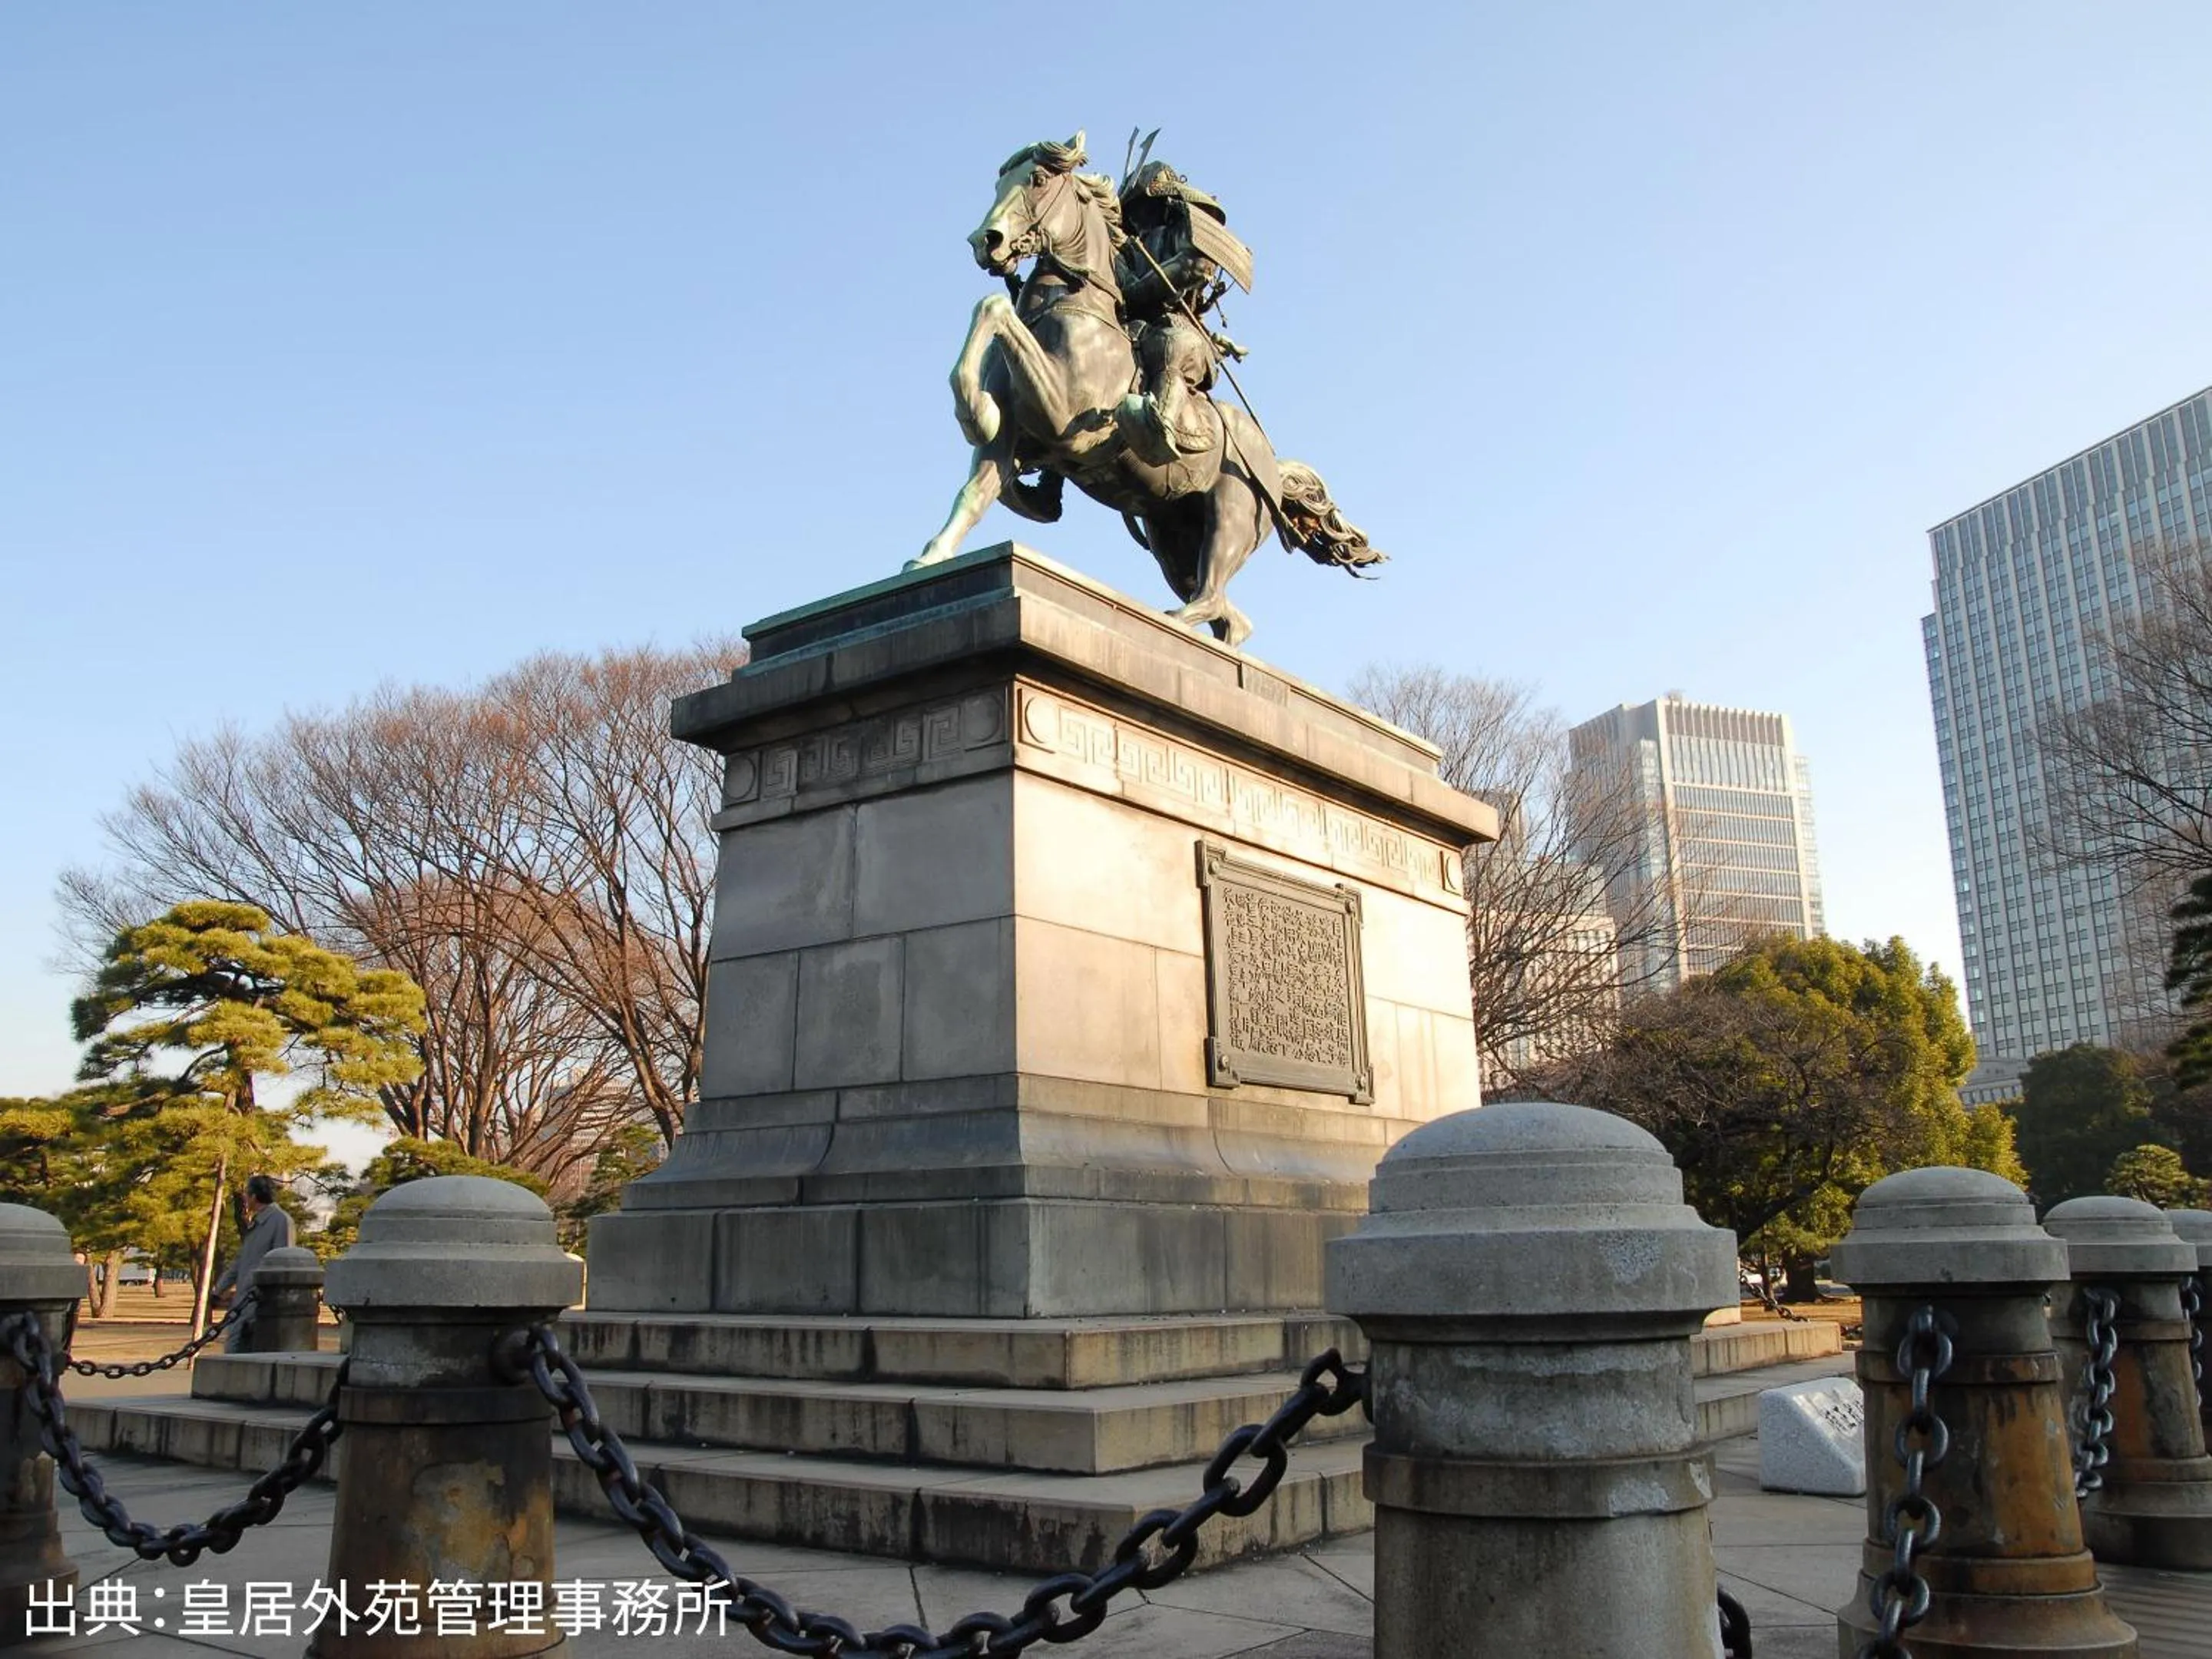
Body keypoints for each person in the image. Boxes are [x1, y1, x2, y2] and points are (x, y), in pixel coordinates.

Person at [210, 1174, 293, 1353]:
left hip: (261, 1302)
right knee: (233, 1347)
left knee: (244, 1349)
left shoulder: (281, 1220)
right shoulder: (255, 1223)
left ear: (254, 1196)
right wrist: (219, 1290)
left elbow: (283, 1262)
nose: (245, 1199)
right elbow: (240, 1263)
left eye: (247, 1194)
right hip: (242, 1300)